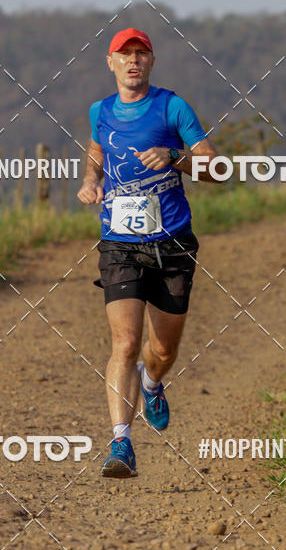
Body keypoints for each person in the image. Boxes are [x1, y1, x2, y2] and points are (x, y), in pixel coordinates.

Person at [77, 27, 218, 478]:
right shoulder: (100, 110)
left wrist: (176, 157)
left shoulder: (172, 106)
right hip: (119, 241)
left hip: (172, 241)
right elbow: (97, 149)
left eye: (141, 54)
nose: (133, 61)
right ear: (111, 62)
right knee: (126, 342)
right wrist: (91, 180)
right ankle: (121, 443)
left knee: (162, 350)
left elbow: (215, 167)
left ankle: (153, 383)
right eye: (125, 54)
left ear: (152, 62)